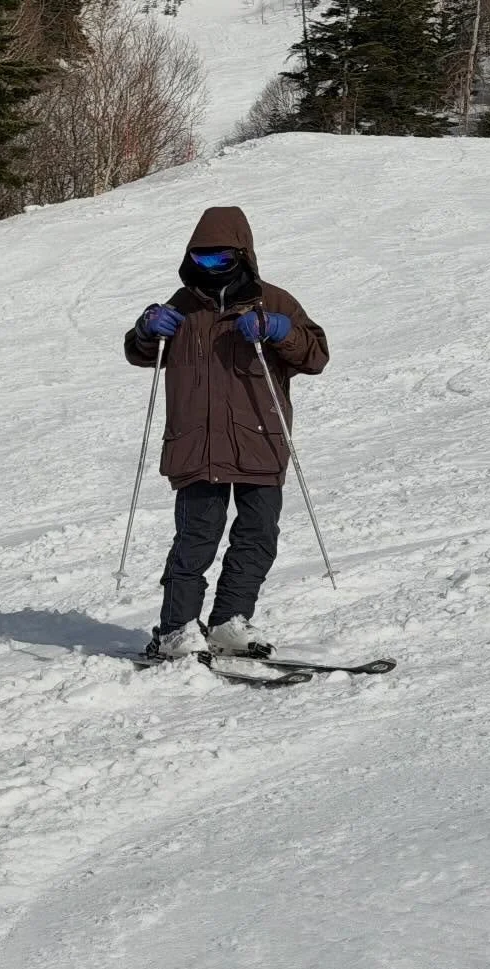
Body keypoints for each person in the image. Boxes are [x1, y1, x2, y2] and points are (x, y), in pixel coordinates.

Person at [123, 206, 328, 660]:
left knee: (257, 537)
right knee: (195, 540)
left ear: (243, 255)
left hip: (260, 439)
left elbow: (315, 357)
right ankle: (176, 629)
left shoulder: (275, 302)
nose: (209, 268)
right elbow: (139, 353)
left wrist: (282, 332)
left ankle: (229, 622)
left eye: (220, 259)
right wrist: (145, 329)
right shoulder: (179, 307)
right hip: (197, 446)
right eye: (200, 259)